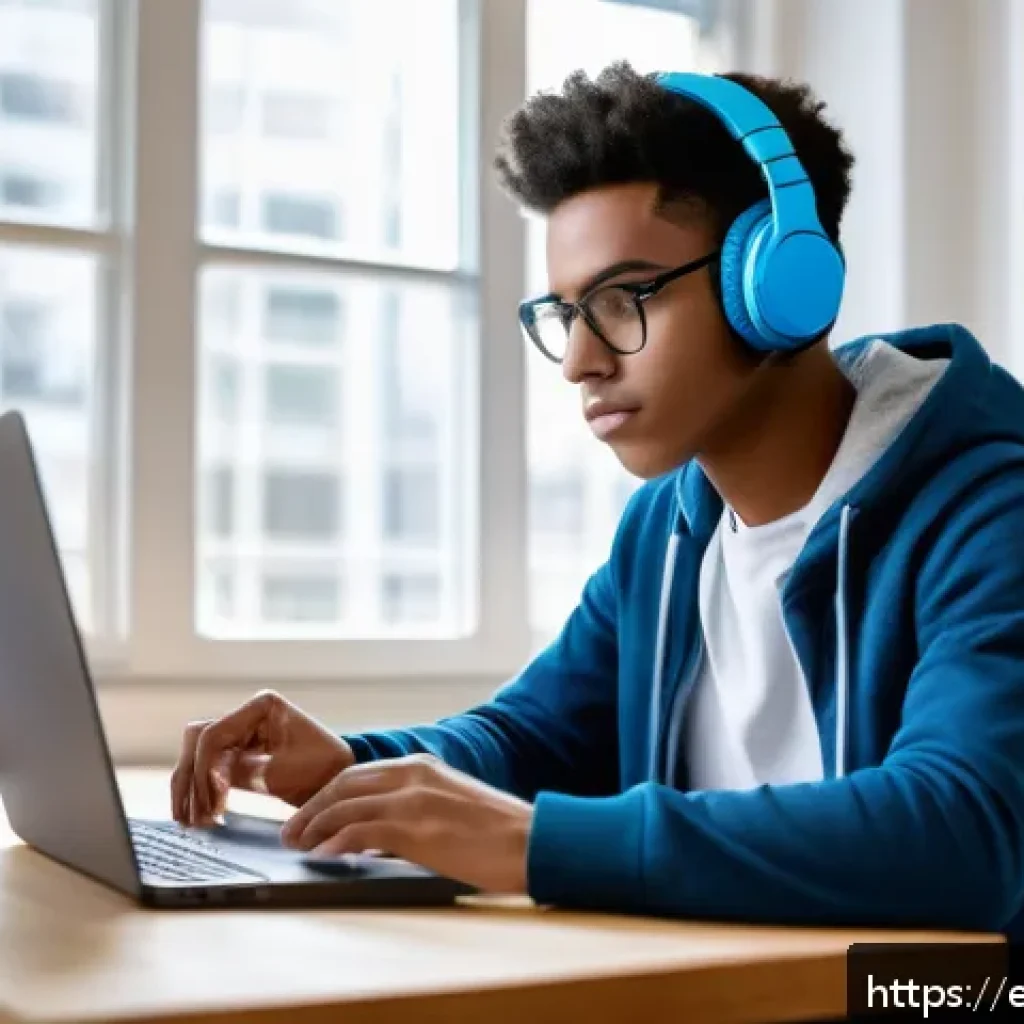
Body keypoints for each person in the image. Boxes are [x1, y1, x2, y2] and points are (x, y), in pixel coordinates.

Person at [171, 63, 1024, 937]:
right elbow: (536, 737)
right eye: (566, 312)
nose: (581, 360)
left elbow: (965, 835)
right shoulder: (669, 528)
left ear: (778, 287)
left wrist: (536, 845)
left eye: (622, 300)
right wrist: (354, 763)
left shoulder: (989, 511)